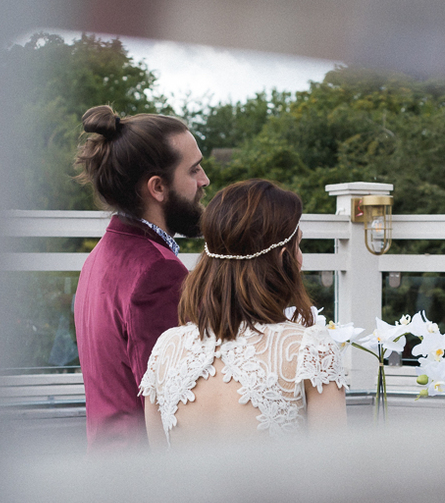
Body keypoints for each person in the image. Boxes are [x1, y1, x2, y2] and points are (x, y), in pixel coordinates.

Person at [140, 179, 348, 448]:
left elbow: (160, 466)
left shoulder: (166, 348)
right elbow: (333, 474)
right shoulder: (310, 350)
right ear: (284, 258)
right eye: (299, 246)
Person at [72, 105, 209, 448]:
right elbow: (174, 403)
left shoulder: (98, 257)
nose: (204, 180)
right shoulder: (157, 271)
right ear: (158, 187)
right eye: (193, 171)